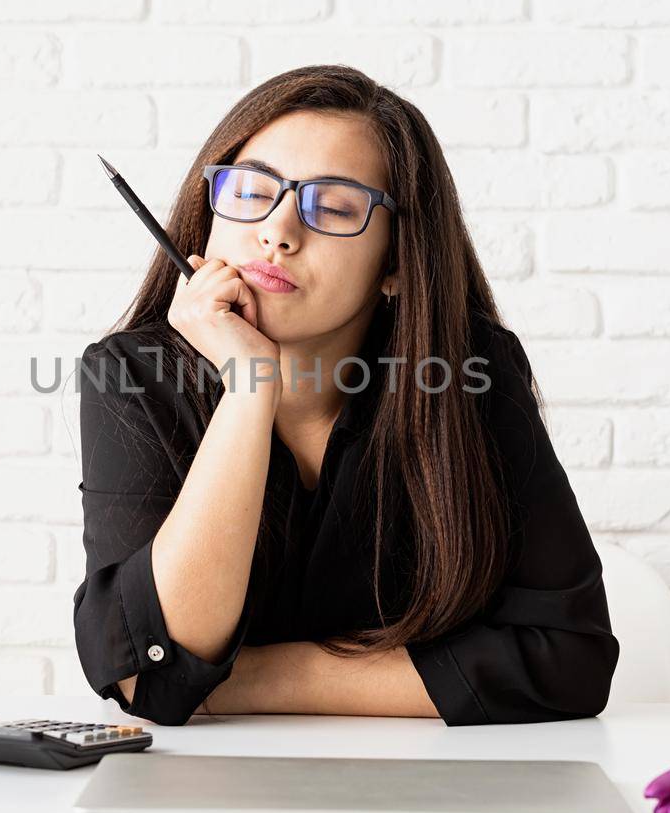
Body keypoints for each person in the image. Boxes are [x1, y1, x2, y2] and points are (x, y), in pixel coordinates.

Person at [71, 64, 618, 727]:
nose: (277, 231)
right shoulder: (133, 375)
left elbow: (569, 661)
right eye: (250, 192)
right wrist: (249, 390)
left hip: (432, 786)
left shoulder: (471, 372)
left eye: (332, 207)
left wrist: (263, 678)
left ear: (395, 264)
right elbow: (148, 666)